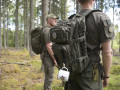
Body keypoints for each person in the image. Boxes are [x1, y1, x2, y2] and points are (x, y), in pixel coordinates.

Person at [65, 0, 114, 90]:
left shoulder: (70, 19)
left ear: (78, 1)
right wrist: (106, 76)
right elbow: (107, 52)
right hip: (91, 72)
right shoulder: (101, 17)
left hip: (72, 70)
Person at [42, 14, 58, 90]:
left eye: (56, 19)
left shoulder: (51, 30)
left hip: (50, 55)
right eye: (54, 18)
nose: (56, 20)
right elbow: (48, 46)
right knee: (49, 77)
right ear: (48, 20)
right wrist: (55, 59)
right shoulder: (46, 30)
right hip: (47, 56)